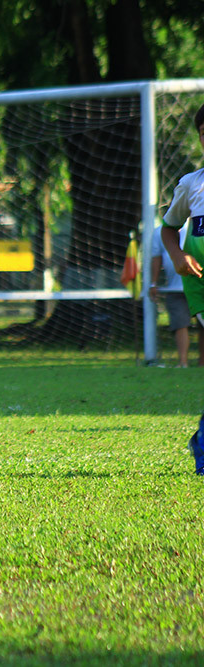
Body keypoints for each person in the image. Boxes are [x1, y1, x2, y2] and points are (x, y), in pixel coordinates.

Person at [161, 102, 204, 475]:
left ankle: (202, 440)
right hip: (200, 281)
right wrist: (177, 256)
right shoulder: (192, 184)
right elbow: (169, 227)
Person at [150, 224, 203, 368]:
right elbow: (156, 258)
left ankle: (202, 363)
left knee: (202, 324)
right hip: (175, 288)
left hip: (199, 285)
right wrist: (153, 283)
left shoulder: (198, 225)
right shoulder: (160, 232)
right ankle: (183, 362)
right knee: (180, 324)